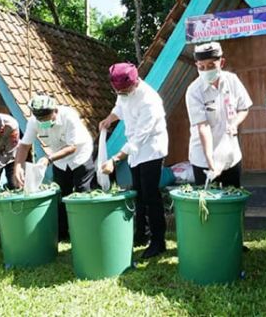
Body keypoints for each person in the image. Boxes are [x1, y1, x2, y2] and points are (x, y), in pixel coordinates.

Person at [100, 63, 168, 259]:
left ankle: (158, 241)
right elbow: (119, 107)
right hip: (135, 149)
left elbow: (140, 137)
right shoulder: (123, 93)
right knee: (137, 193)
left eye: (124, 90)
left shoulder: (149, 100)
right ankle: (141, 234)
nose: (121, 93)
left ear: (135, 82)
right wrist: (109, 119)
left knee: (150, 195)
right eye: (117, 91)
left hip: (151, 149)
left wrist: (115, 159)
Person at [14, 94, 95, 240]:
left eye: (46, 118)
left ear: (55, 110)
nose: (43, 122)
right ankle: (63, 233)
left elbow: (72, 147)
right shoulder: (34, 122)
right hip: (59, 160)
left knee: (83, 192)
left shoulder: (69, 116)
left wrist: (48, 158)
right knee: (62, 194)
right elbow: (24, 145)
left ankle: (85, 232)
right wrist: (18, 166)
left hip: (80, 155)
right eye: (40, 119)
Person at [185, 42, 252, 187]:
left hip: (230, 155)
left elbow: (243, 108)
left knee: (233, 198)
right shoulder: (194, 91)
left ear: (221, 63)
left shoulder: (232, 80)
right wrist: (210, 160)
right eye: (201, 67)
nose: (206, 70)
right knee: (207, 203)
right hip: (203, 158)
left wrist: (234, 123)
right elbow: (203, 127)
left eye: (210, 66)